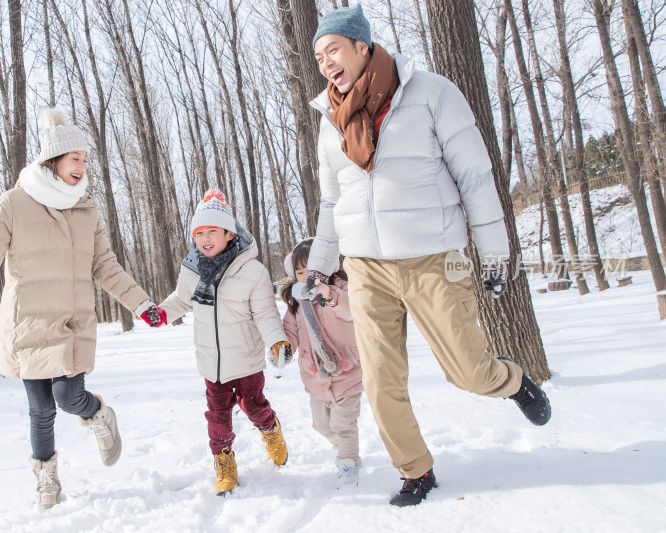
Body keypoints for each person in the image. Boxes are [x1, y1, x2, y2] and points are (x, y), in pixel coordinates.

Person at [302, 4, 552, 507]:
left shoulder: (431, 92)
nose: (327, 63)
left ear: (361, 46)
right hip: (365, 267)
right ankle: (415, 470)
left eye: (333, 50)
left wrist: (496, 254)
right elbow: (333, 202)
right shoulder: (330, 122)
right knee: (380, 378)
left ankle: (511, 381)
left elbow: (476, 177)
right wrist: (319, 264)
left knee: (468, 371)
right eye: (319, 56)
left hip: (433, 256)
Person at [0, 108, 161, 509]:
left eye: (86, 159)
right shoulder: (12, 204)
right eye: (76, 159)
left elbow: (106, 266)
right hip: (26, 324)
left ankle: (99, 415)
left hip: (71, 322)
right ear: (52, 160)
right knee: (40, 410)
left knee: (70, 398)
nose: (83, 166)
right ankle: (47, 479)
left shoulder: (86, 208)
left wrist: (142, 304)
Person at [147, 189, 290, 496]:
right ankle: (224, 463)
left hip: (246, 359)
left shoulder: (252, 271)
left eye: (212, 231)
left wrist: (277, 341)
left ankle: (270, 429)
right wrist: (161, 312)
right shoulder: (192, 269)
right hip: (211, 363)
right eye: (199, 233)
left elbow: (265, 312)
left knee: (254, 406)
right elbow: (181, 300)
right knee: (217, 416)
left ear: (228, 233)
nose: (205, 238)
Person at [280, 238, 364, 488]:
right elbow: (290, 331)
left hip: (347, 372)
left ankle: (348, 462)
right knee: (322, 426)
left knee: (343, 424)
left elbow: (351, 309)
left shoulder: (340, 291)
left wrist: (328, 294)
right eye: (300, 272)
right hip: (315, 376)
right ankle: (344, 445)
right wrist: (283, 348)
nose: (306, 277)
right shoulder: (297, 304)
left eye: (311, 271)